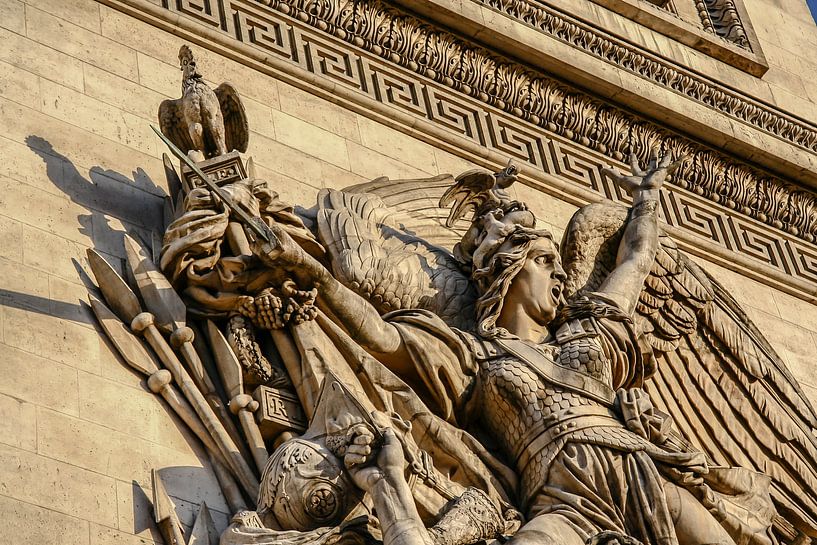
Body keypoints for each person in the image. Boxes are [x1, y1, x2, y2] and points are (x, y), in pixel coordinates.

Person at [253, 155, 745, 545]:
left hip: (641, 473)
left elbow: (636, 259)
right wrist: (313, 273)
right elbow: (384, 339)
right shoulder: (476, 357)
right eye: (547, 261)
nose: (560, 274)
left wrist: (646, 202)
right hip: (560, 500)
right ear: (511, 269)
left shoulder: (592, 330)